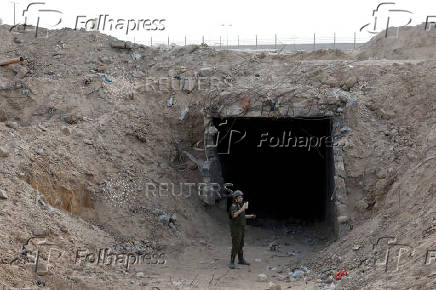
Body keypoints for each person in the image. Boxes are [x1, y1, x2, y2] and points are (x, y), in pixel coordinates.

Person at [228, 190, 256, 269]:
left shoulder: (240, 206)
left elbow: (241, 216)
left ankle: (241, 259)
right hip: (236, 228)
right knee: (236, 244)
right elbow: (234, 215)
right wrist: (243, 209)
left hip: (241, 227)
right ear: (235, 198)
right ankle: (231, 261)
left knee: (241, 243)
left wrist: (250, 216)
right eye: (239, 197)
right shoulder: (233, 206)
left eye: (241, 197)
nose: (241, 198)